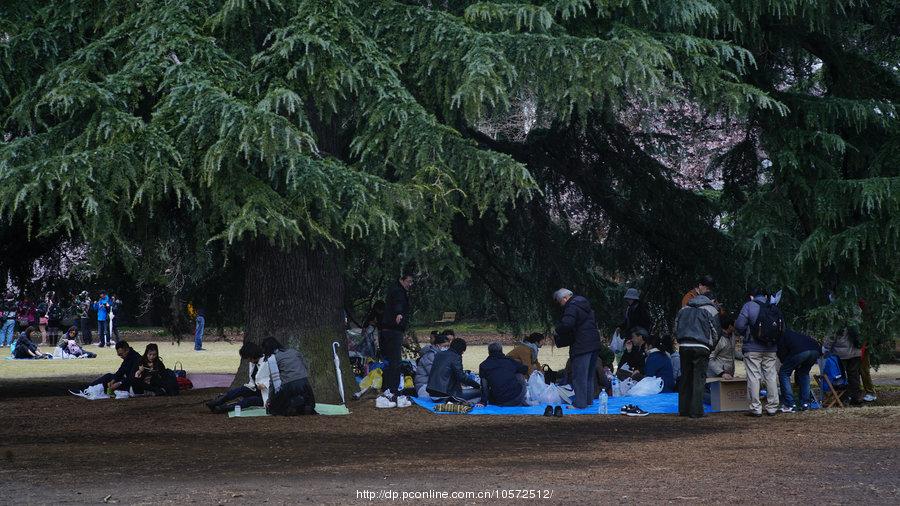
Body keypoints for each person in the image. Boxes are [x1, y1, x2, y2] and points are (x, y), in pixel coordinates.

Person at [553, 288, 602, 409]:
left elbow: (567, 324)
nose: (561, 305)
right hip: (594, 344)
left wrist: (557, 330)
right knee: (589, 376)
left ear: (565, 298)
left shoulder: (571, 306)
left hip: (582, 345)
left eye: (560, 302)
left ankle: (580, 404)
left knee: (579, 376)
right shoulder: (585, 305)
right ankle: (588, 401)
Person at [735, 289, 781, 417]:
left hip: (752, 348)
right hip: (771, 348)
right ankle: (772, 407)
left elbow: (739, 325)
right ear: (766, 296)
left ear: (751, 296)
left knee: (754, 377)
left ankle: (756, 408)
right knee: (771, 376)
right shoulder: (773, 307)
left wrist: (748, 333)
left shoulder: (749, 306)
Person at [674, 292, 720, 418]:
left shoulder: (684, 309)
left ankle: (683, 410)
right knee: (698, 379)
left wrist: (680, 340)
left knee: (685, 378)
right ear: (712, 299)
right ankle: (696, 411)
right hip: (702, 346)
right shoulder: (711, 309)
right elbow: (716, 331)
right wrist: (711, 346)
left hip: (684, 346)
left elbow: (676, 327)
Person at [376, 272, 414, 409]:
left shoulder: (395, 290)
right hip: (393, 330)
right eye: (408, 281)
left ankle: (387, 387)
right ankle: (393, 389)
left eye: (411, 281)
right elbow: (398, 304)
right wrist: (399, 313)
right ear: (401, 280)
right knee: (395, 361)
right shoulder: (398, 291)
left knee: (390, 360)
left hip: (389, 330)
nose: (410, 284)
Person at [260, 337, 317, 415]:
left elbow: (273, 382)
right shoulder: (294, 352)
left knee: (274, 408)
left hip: (289, 386)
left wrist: (269, 400)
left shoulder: (273, 359)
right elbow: (305, 366)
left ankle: (291, 407)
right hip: (304, 384)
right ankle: (303, 405)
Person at [207, 343, 266, 413]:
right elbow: (252, 382)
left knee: (250, 400)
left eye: (248, 358)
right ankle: (217, 402)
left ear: (252, 355)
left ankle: (226, 408)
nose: (247, 360)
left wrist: (264, 386)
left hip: (266, 394)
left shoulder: (267, 363)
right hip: (256, 389)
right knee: (240, 390)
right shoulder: (253, 363)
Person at [777, 328, 821, 412]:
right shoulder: (795, 334)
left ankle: (789, 404)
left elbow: (782, 356)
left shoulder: (781, 336)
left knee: (784, 373)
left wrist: (788, 363)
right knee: (804, 373)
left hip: (801, 351)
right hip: (815, 350)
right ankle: (805, 404)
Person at [426, 338, 480, 403]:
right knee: (480, 391)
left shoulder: (439, 354)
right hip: (445, 394)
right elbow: (461, 377)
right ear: (461, 350)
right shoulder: (456, 357)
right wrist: (477, 385)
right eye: (463, 352)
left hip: (432, 392)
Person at [823, 327, 864, 406]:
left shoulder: (838, 323)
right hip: (856, 353)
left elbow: (830, 339)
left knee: (841, 377)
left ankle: (843, 398)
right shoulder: (855, 322)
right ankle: (856, 398)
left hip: (841, 355)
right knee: (854, 376)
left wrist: (826, 349)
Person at [478, 342, 528, 407]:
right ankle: (521, 400)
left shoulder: (483, 365)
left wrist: (483, 401)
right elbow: (525, 369)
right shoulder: (510, 361)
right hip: (516, 398)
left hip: (497, 401)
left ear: (489, 352)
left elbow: (484, 386)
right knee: (518, 373)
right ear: (501, 350)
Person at [414, 333, 450, 398]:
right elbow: (435, 374)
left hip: (433, 387)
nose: (447, 348)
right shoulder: (430, 356)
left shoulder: (441, 356)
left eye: (448, 346)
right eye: (445, 346)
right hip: (424, 387)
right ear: (437, 345)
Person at [708, 313, 740, 379]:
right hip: (716, 377)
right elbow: (709, 358)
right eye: (735, 324)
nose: (737, 326)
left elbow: (730, 351)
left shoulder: (732, 335)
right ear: (730, 326)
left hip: (728, 375)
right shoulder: (718, 339)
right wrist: (721, 373)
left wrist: (744, 356)